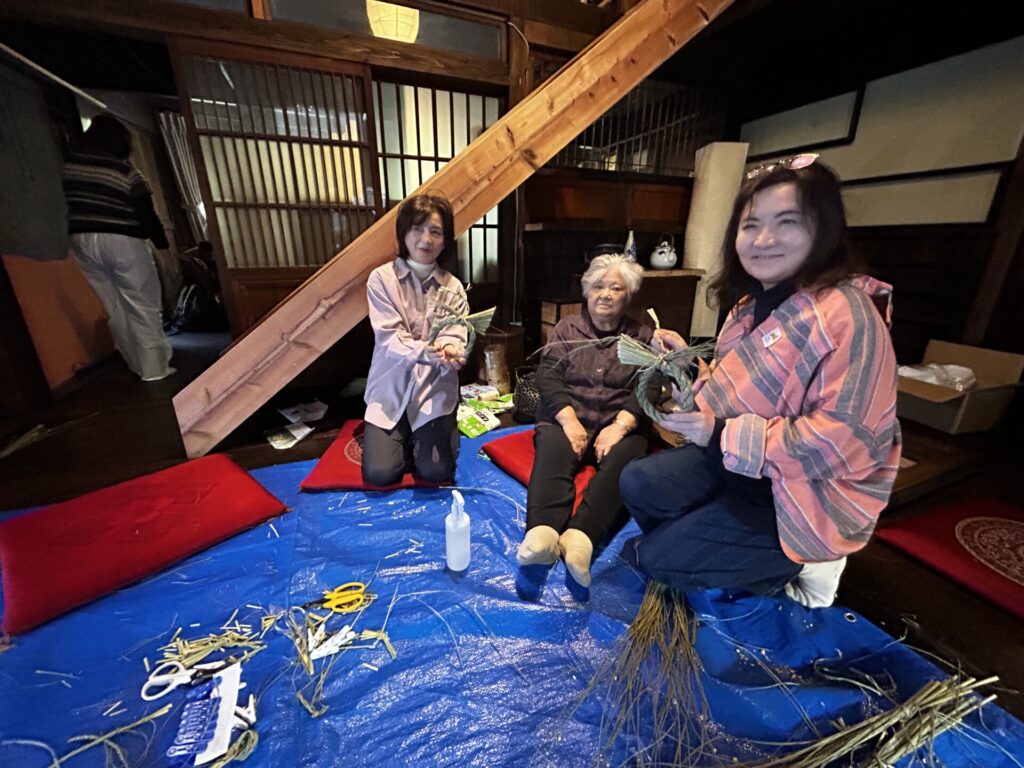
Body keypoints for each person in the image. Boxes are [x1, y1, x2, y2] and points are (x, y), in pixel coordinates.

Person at [619, 155, 902, 608]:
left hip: (802, 492)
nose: (763, 240)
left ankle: (797, 565)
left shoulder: (849, 317)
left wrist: (719, 434)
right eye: (751, 225)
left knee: (653, 558)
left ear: (824, 229)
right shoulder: (748, 307)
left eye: (786, 222)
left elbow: (845, 440)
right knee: (638, 482)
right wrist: (686, 367)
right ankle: (707, 546)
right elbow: (732, 390)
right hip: (744, 466)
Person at [517, 254, 652, 587]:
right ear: (586, 291)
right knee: (552, 451)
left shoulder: (642, 336)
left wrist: (621, 426)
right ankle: (543, 533)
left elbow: (650, 385)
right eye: (598, 286)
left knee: (628, 459)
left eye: (616, 288)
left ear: (629, 295)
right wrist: (568, 421)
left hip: (617, 422)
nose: (605, 294)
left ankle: (581, 538)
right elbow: (548, 377)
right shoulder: (566, 329)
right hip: (568, 416)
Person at [362, 193, 467, 487]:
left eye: (435, 232)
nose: (426, 239)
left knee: (436, 472)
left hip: (433, 389)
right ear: (403, 233)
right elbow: (389, 337)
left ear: (445, 241)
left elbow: (455, 333)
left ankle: (429, 432)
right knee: (381, 473)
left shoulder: (453, 287)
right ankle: (407, 435)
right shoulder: (381, 279)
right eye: (417, 229)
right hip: (390, 387)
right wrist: (425, 351)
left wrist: (452, 350)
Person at [62, 114, 175, 381]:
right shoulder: (125, 171)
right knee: (143, 305)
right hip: (123, 240)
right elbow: (146, 213)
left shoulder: (70, 166)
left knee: (114, 307)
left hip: (81, 240)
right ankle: (155, 370)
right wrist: (163, 248)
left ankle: (136, 365)